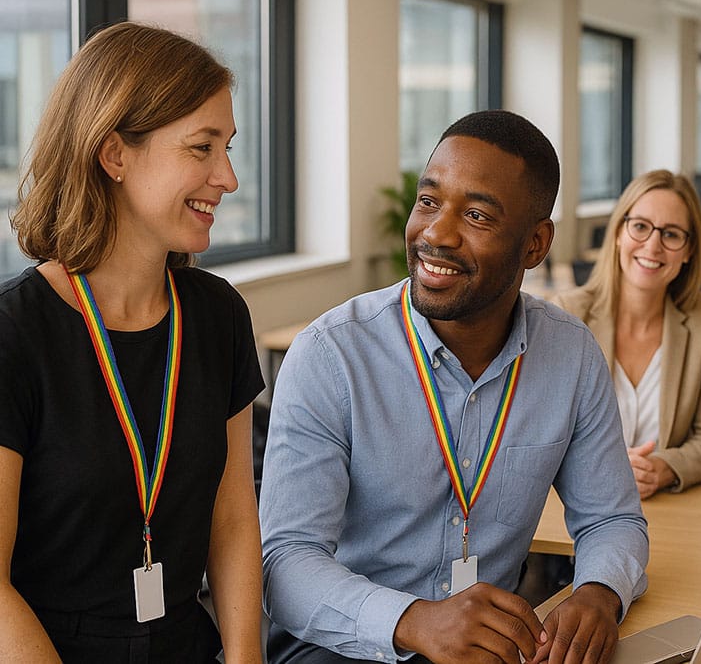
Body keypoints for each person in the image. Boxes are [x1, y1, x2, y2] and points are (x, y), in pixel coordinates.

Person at [259, 110, 649, 664]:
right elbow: (287, 565)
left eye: (477, 215)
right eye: (429, 201)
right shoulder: (332, 355)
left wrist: (599, 592)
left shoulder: (570, 355)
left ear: (536, 244)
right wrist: (415, 622)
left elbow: (612, 519)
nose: (436, 234)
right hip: (342, 645)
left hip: (485, 648)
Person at [0, 22, 265, 661]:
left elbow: (231, 525)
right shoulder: (16, 333)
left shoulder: (218, 315)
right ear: (114, 154)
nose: (227, 178)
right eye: (202, 148)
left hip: (185, 642)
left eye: (227, 147)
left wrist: (245, 658)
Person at [552, 170, 701, 498]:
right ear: (619, 233)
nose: (653, 246)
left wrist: (663, 468)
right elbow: (540, 431)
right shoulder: (569, 315)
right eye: (640, 226)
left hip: (664, 512)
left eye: (671, 234)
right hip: (578, 508)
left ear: (689, 249)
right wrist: (605, 465)